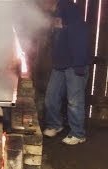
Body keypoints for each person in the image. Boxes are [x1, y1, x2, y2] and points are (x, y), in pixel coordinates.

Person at [42, 0, 91, 145]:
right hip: (60, 64)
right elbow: (57, 37)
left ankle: (78, 134)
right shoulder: (54, 13)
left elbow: (80, 36)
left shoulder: (69, 10)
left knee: (74, 101)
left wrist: (80, 63)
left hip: (75, 63)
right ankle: (55, 125)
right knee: (51, 97)